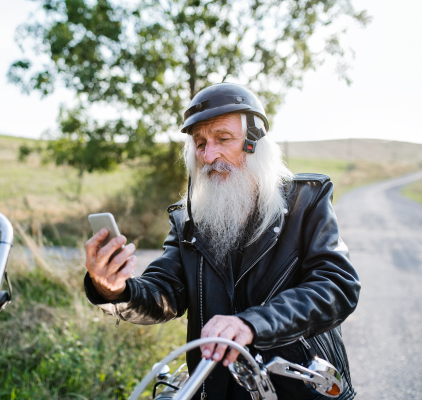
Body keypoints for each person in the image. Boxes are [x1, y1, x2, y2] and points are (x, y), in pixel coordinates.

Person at [84, 83, 360, 399]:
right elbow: (163, 294)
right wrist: (113, 289)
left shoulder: (306, 201)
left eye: (223, 139)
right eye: (199, 143)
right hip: (217, 389)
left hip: (300, 388)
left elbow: (337, 287)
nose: (209, 154)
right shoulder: (190, 220)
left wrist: (254, 324)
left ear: (254, 141)